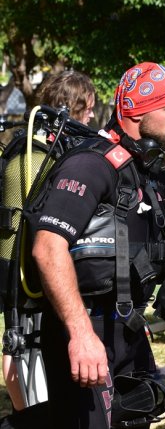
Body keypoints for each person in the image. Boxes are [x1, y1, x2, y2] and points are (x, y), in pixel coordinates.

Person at [25, 61, 165, 428]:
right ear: (136, 112)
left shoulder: (141, 168)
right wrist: (81, 335)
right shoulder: (91, 164)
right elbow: (47, 247)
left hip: (127, 332)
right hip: (86, 328)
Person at [1, 70, 98, 429]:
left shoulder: (20, 147)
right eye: (87, 108)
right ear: (74, 106)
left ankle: (26, 417)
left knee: (15, 343)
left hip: (14, 276)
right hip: (39, 275)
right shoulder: (55, 156)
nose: (90, 116)